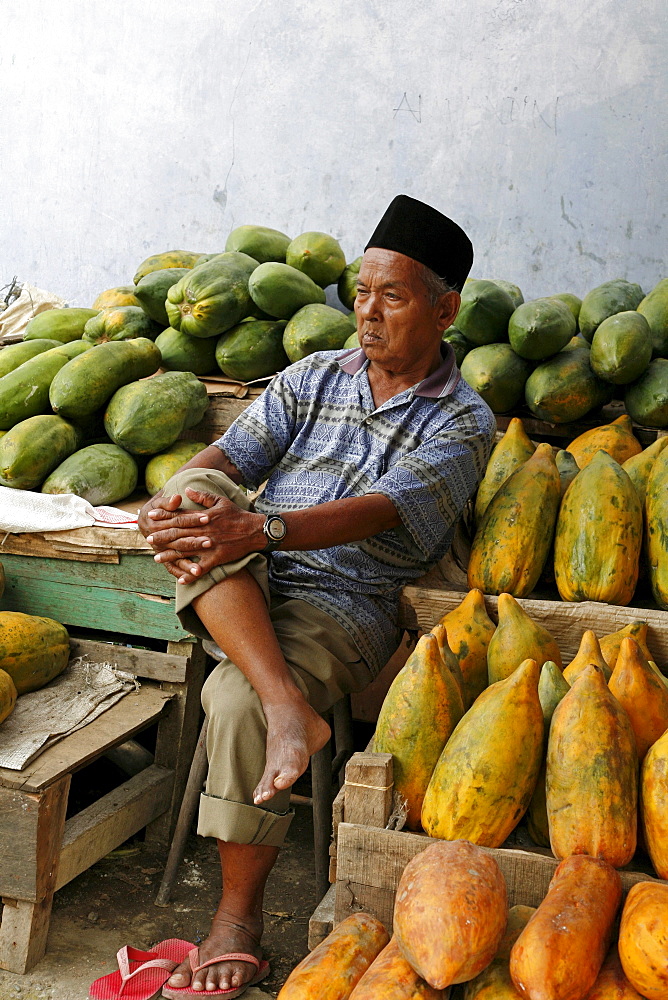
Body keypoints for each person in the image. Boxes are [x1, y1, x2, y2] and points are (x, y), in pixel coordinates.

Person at [138, 194, 495, 995]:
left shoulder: (465, 422)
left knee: (230, 701)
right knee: (196, 484)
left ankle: (236, 919)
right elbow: (233, 453)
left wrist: (255, 533)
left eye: (392, 297)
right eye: (361, 293)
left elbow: (384, 510)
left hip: (345, 602)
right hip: (251, 574)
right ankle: (287, 707)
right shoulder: (312, 374)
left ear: (445, 310)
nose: (367, 314)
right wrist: (176, 501)